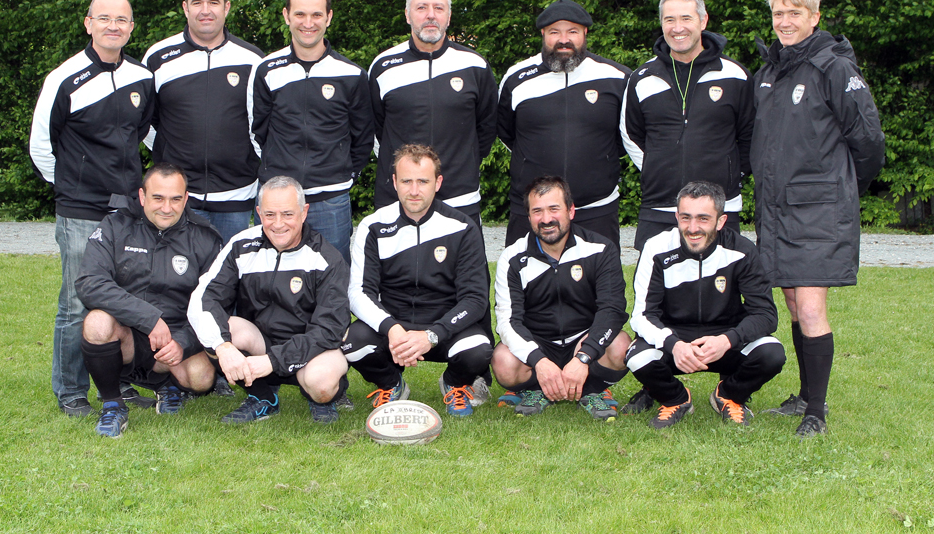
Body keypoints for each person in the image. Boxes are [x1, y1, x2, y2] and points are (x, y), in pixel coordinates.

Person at [752, 0, 885, 438]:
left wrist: (841, 190)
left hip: (818, 211)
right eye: (778, 14)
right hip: (777, 211)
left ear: (815, 17)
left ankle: (817, 413)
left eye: (795, 13)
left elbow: (868, 142)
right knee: (791, 301)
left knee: (810, 307)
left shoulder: (833, 68)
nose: (785, 22)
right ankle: (805, 398)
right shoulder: (769, 72)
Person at [29, 0, 155, 417]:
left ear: (131, 27)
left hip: (128, 211)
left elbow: (142, 135)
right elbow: (41, 146)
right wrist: (70, 186)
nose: (113, 26)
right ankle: (70, 390)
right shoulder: (64, 78)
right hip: (81, 210)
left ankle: (119, 381)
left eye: (122, 19)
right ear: (88, 24)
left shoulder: (142, 77)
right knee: (77, 302)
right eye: (104, 19)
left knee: (126, 297)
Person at [344, 144, 493, 416]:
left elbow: (476, 299)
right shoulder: (373, 226)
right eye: (406, 181)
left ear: (438, 183)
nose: (414, 190)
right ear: (394, 183)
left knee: (479, 350)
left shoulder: (461, 227)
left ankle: (453, 384)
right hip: (395, 329)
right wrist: (391, 328)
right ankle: (392, 385)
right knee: (350, 341)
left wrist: (433, 334)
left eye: (423, 181)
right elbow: (357, 293)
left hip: (445, 327)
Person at [188, 176, 351, 425]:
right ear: (258, 213)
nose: (278, 224)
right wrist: (223, 347)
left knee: (322, 385)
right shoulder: (241, 246)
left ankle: (319, 398)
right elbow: (204, 299)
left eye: (287, 214)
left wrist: (274, 360)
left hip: (311, 352)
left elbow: (330, 329)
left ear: (304, 212)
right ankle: (263, 398)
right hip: (260, 345)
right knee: (220, 331)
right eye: (269, 214)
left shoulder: (326, 257)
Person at [75, 164, 222, 438]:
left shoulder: (205, 238)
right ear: (142, 197)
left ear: (186, 199)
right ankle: (112, 404)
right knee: (96, 323)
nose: (167, 207)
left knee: (202, 379)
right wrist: (148, 318)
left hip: (176, 334)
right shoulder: (115, 226)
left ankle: (169, 386)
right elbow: (89, 282)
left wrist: (185, 343)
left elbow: (216, 302)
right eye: (158, 198)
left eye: (175, 199)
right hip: (129, 331)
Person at [626, 182, 785, 429]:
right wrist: (674, 344)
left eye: (703, 219)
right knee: (638, 357)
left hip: (725, 339)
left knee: (771, 353)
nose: (692, 228)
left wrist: (728, 340)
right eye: (686, 218)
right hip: (676, 339)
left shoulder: (742, 250)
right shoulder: (657, 248)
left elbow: (765, 315)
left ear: (720, 221)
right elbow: (641, 315)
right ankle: (676, 398)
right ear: (676, 216)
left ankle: (729, 395)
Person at [248, 0, 374, 263]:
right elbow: (257, 131)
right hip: (278, 200)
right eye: (300, 14)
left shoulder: (351, 74)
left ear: (328, 17)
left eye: (317, 14)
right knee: (270, 280)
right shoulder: (267, 70)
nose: (308, 23)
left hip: (331, 201)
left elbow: (363, 137)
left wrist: (342, 175)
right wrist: (277, 169)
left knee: (333, 282)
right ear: (286, 16)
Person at [622, 0, 754, 251]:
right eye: (669, 20)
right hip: (660, 205)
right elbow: (630, 133)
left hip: (721, 207)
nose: (677, 28)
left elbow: (750, 134)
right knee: (654, 290)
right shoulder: (642, 77)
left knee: (721, 289)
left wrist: (731, 172)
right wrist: (656, 166)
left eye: (686, 18)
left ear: (703, 22)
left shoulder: (735, 75)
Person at [492, 176, 630, 421]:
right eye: (537, 211)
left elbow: (613, 309)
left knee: (620, 346)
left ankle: (592, 390)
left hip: (583, 340)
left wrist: (585, 355)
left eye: (554, 209)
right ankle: (537, 389)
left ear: (571, 210)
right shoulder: (512, 257)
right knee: (503, 361)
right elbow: (507, 321)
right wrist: (539, 361)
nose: (546, 219)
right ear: (529, 216)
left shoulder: (600, 249)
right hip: (538, 342)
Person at [368, 0, 498, 229]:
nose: (431, 15)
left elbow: (486, 128)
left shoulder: (475, 66)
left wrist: (463, 162)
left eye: (439, 8)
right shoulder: (383, 66)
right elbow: (376, 129)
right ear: (408, 15)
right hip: (399, 200)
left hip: (460, 198)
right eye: (421, 7)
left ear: (448, 16)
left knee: (464, 270)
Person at [141, 0, 264, 242]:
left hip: (237, 195)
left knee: (231, 278)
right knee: (177, 280)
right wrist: (168, 149)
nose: (205, 11)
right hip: (178, 198)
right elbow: (144, 121)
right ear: (185, 8)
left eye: (213, 2)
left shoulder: (253, 59)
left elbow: (263, 122)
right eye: (197, 3)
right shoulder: (158, 57)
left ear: (226, 7)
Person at [497, 0, 630, 247]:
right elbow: (506, 133)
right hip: (533, 210)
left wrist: (603, 159)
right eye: (554, 32)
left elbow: (628, 136)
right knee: (525, 283)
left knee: (600, 285)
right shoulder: (517, 78)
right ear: (543, 33)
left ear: (585, 33)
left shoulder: (617, 78)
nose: (563, 39)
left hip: (596, 210)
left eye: (572, 32)